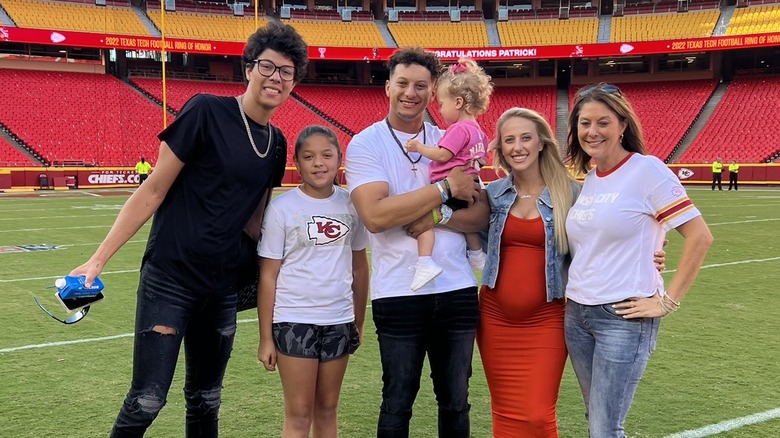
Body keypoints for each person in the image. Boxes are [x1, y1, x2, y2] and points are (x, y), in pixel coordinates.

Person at [68, 22, 308, 437]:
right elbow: (153, 189)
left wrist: (291, 260)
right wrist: (97, 258)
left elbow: (256, 220)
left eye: (287, 72)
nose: (276, 78)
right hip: (171, 279)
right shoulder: (206, 110)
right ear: (248, 68)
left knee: (205, 399)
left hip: (222, 287)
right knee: (147, 399)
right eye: (268, 66)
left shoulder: (278, 142)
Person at [344, 47, 487, 438]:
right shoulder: (365, 144)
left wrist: (433, 215)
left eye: (421, 85)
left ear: (433, 89)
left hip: (457, 287)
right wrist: (444, 188)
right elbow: (376, 216)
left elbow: (479, 213)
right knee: (397, 401)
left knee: (456, 400)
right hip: (398, 291)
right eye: (403, 83)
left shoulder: (450, 137)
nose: (411, 92)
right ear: (388, 87)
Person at [564, 83, 713, 438]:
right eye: (584, 123)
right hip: (577, 315)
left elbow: (700, 236)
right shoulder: (590, 180)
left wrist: (667, 301)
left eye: (603, 122)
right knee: (595, 417)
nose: (592, 131)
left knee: (604, 427)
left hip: (623, 316)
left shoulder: (647, 170)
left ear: (622, 126)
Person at [257, 126, 369, 438]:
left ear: (339, 159)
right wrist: (266, 337)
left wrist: (357, 322)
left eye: (326, 155)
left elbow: (360, 268)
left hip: (339, 320)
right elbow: (268, 276)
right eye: (309, 157)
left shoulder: (352, 206)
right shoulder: (281, 208)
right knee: (299, 413)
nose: (318, 163)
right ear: (297, 162)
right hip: (294, 320)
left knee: (328, 409)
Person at [405, 57, 491, 291]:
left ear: (459, 102)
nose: (440, 109)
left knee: (424, 221)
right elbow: (481, 159)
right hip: (469, 188)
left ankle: (425, 262)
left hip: (449, 187)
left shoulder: (459, 128)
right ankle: (476, 254)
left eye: (442, 104)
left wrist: (418, 147)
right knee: (468, 223)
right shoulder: (478, 131)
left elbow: (443, 155)